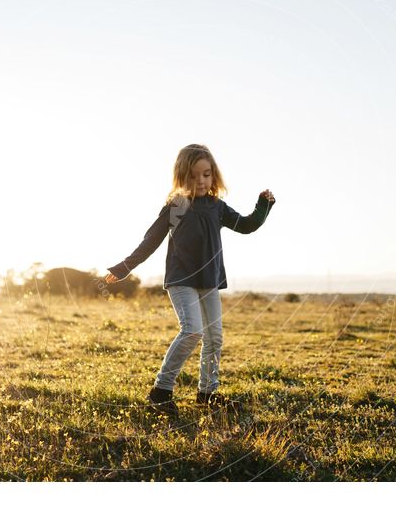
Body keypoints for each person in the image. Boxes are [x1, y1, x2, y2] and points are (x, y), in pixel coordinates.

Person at [105, 144, 276, 420]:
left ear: (213, 175)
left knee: (215, 337)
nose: (201, 181)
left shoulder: (217, 207)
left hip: (209, 281)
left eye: (206, 174)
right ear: (182, 176)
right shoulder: (178, 206)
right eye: (194, 175)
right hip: (181, 279)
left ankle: (208, 394)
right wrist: (124, 267)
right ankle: (160, 392)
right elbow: (151, 241)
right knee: (192, 331)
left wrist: (263, 206)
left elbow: (245, 225)